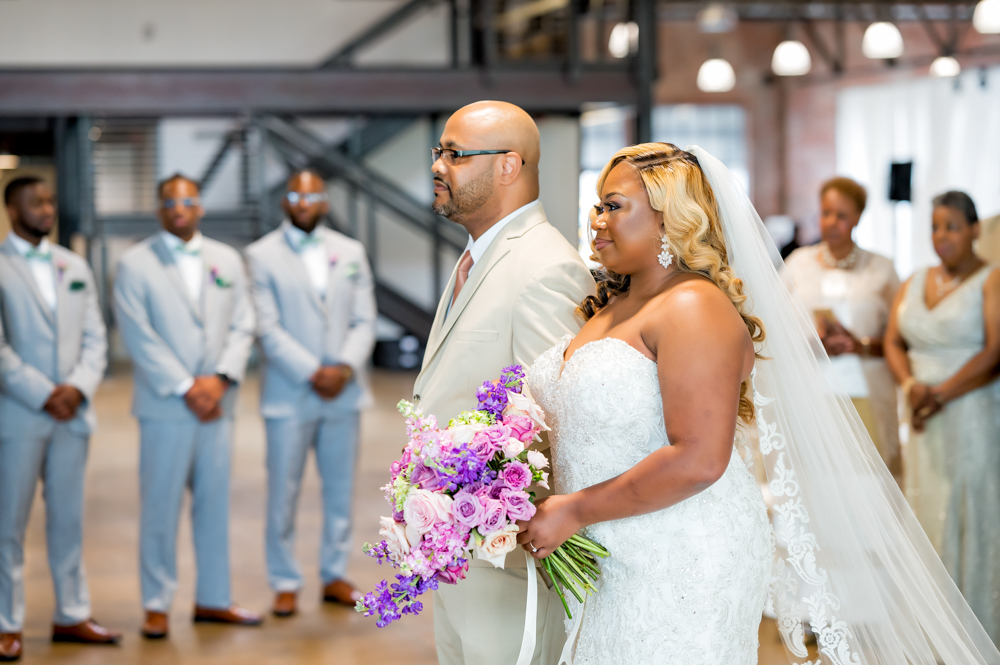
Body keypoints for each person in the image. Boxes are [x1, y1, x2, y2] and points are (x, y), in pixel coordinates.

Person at [517, 145, 1000, 665]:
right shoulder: (611, 305)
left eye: (613, 205)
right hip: (609, 550)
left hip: (678, 554)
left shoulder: (693, 305)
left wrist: (574, 508)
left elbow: (700, 458)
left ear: (671, 217)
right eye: (597, 205)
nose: (597, 219)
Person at [413, 101, 595, 665]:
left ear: (509, 167)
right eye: (438, 152)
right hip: (459, 546)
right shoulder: (480, 254)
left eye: (456, 154)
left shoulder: (545, 269)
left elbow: (559, 423)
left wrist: (504, 524)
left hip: (507, 558)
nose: (439, 166)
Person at [113, 174, 260, 640]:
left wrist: (218, 380)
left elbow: (243, 321)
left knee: (214, 506)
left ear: (199, 206)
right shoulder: (134, 264)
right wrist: (185, 386)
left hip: (218, 404)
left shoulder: (226, 258)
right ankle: (156, 604)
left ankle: (214, 598)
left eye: (189, 200)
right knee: (160, 508)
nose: (179, 208)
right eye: (170, 202)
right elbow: (137, 333)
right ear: (159, 208)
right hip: (166, 407)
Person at [245, 170, 376, 617]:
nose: (304, 201)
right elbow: (266, 325)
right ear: (284, 200)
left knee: (340, 490)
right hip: (289, 393)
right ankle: (284, 580)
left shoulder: (350, 251)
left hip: (343, 390)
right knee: (283, 491)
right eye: (295, 194)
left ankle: (334, 573)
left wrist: (342, 367)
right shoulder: (260, 255)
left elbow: (364, 319)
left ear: (324, 200)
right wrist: (312, 371)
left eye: (313, 193)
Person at [0, 177, 120, 662]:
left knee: (68, 521)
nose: (47, 209)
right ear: (12, 210)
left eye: (51, 200)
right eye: (36, 202)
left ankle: (71, 614)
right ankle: (6, 622)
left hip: (73, 415)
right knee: (8, 524)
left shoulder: (73, 265)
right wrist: (45, 392)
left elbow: (96, 333)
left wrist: (78, 387)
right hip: (19, 415)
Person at [885, 190, 1000, 642]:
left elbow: (995, 350)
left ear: (974, 229)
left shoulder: (991, 279)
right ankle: (929, 625)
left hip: (970, 412)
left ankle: (973, 627)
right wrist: (913, 388)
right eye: (934, 226)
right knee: (926, 504)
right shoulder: (914, 279)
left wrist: (942, 394)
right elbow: (893, 340)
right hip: (922, 413)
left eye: (951, 226)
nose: (941, 236)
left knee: (966, 505)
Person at [782, 177, 901, 473]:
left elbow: (901, 335)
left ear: (858, 217)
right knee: (817, 475)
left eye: (842, 215)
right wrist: (813, 344)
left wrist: (859, 344)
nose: (831, 222)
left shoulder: (881, 269)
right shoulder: (798, 263)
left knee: (869, 477)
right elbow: (774, 326)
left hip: (867, 392)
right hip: (812, 393)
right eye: (826, 213)